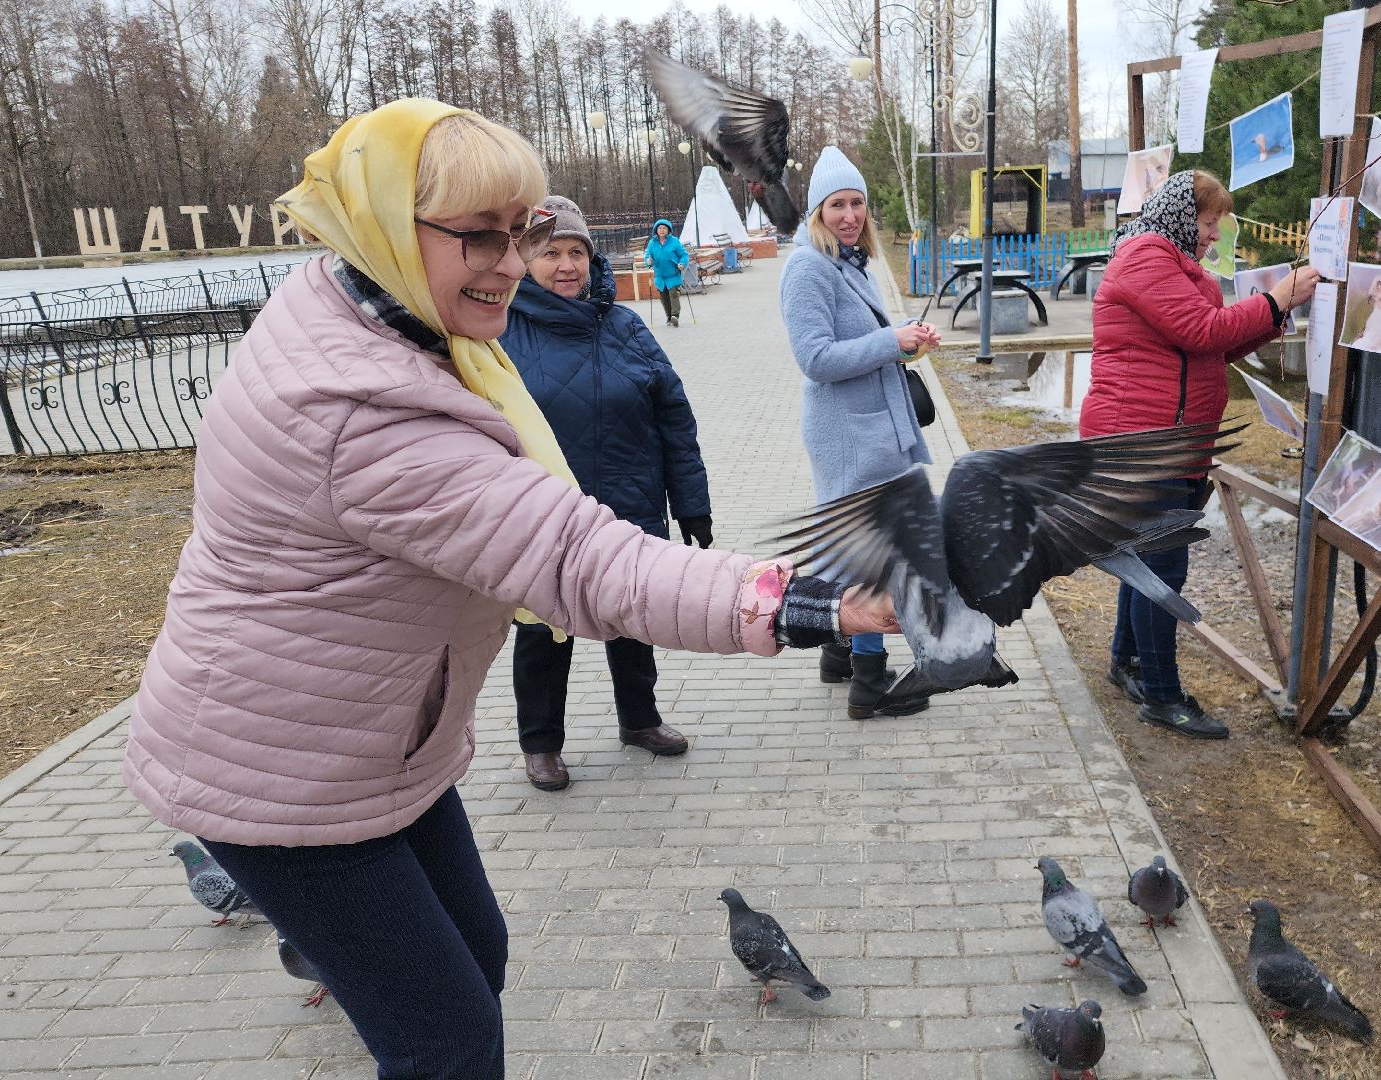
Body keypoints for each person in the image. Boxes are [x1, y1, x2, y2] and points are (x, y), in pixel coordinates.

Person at [121, 100, 897, 1080]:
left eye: (519, 233)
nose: (508, 261)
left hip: (364, 733)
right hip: (282, 769)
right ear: (385, 230)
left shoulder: (367, 308)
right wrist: (818, 600)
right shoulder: (358, 415)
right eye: (476, 236)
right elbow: (579, 561)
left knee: (473, 960)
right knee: (447, 1040)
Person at [1080, 170, 1319, 740]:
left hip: (1167, 438)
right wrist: (1276, 296)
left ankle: (1129, 662)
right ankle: (1162, 696)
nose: (1213, 235)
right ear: (1185, 216)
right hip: (1142, 442)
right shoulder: (1146, 258)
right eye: (1209, 223)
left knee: (1145, 560)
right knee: (1163, 569)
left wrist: (1273, 314)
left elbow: (1216, 343)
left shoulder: (1172, 261)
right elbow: (1201, 331)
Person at [499, 195, 711, 791]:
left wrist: (692, 502)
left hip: (629, 505)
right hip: (542, 516)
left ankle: (639, 720)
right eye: (550, 253)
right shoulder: (501, 332)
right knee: (544, 632)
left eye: (576, 252)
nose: (566, 266)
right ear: (524, 257)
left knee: (633, 619)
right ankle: (541, 745)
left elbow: (675, 418)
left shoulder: (625, 327)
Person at [779, 144, 940, 719]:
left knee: (847, 547)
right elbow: (816, 358)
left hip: (866, 427)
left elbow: (862, 346)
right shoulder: (806, 268)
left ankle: (837, 653)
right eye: (837, 204)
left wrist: (905, 340)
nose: (849, 215)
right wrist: (889, 341)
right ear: (816, 211)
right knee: (874, 554)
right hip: (850, 433)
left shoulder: (850, 262)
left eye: (857, 204)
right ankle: (870, 683)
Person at [645, 218, 689, 327]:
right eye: (660, 228)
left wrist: (682, 263)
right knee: (664, 297)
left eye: (664, 228)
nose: (662, 230)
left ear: (669, 230)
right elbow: (647, 256)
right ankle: (669, 317)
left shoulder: (674, 241)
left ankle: (675, 316)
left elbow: (684, 255)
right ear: (656, 230)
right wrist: (648, 261)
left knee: (673, 294)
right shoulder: (652, 243)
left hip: (673, 275)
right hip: (660, 276)